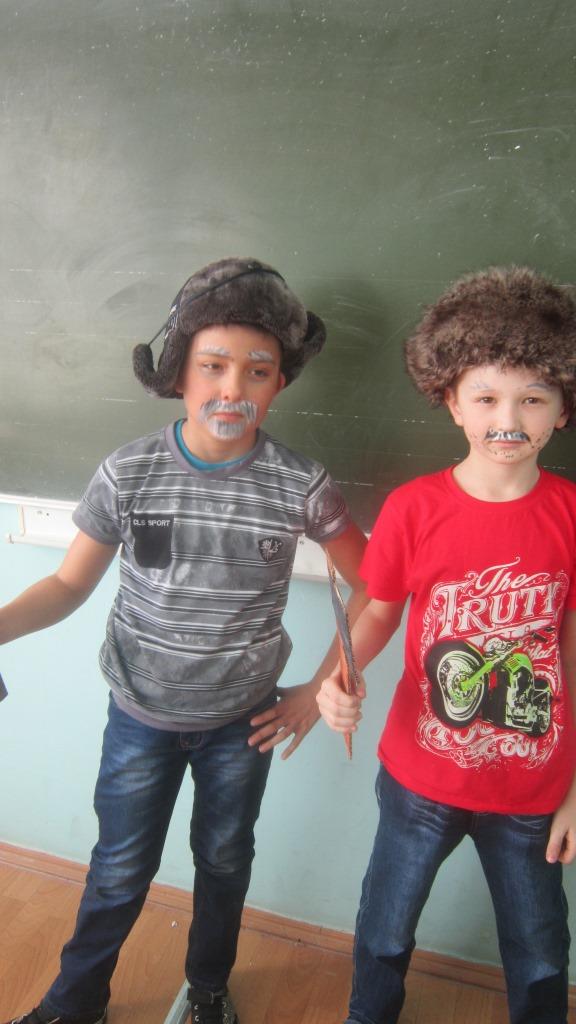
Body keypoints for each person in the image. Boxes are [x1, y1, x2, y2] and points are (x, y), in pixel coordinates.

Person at [1, 257, 367, 1024]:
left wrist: (318, 689)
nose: (233, 389)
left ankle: (206, 991)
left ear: (280, 382)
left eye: (257, 371)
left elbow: (374, 585)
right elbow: (67, 584)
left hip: (243, 720)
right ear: (177, 373)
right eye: (213, 366)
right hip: (139, 716)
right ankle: (75, 1002)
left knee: (224, 862)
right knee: (119, 867)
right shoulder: (128, 473)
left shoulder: (300, 484)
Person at [317, 266, 576, 1024]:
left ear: (563, 409)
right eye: (487, 398)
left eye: (533, 399)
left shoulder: (570, 514)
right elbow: (378, 613)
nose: (509, 419)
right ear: (452, 400)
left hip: (534, 791)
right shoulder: (414, 508)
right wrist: (338, 676)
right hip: (419, 779)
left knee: (540, 954)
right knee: (385, 933)